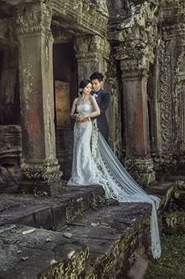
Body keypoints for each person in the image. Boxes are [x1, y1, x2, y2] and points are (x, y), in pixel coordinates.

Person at [69, 79, 161, 259]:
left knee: (83, 150)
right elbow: (71, 113)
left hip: (87, 126)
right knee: (77, 150)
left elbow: (97, 111)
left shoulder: (91, 100)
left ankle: (87, 174)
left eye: (90, 87)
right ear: (81, 88)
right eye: (86, 87)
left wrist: (86, 116)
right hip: (77, 127)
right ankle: (78, 174)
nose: (88, 89)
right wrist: (76, 117)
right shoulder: (76, 100)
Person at [90, 72, 110, 143]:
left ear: (101, 83)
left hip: (100, 123)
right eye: (92, 84)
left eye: (96, 84)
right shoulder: (88, 94)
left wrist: (88, 116)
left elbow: (102, 110)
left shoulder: (105, 95)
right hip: (88, 124)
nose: (93, 86)